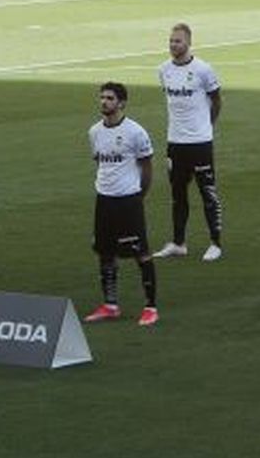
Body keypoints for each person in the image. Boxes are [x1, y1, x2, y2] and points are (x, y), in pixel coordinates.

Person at [84, 82, 160, 327]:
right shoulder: (94, 131)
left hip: (128, 201)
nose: (104, 102)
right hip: (104, 200)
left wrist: (139, 194)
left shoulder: (136, 132)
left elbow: (147, 166)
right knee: (105, 253)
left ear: (121, 103)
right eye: (102, 97)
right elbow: (101, 163)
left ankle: (150, 307)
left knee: (141, 253)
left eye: (109, 98)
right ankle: (110, 305)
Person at [152, 22, 225, 262]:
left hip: (200, 143)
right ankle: (178, 243)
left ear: (189, 43)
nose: (174, 45)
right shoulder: (163, 70)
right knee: (178, 193)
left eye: (178, 41)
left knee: (208, 193)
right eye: (171, 41)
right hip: (175, 142)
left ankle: (215, 243)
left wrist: (207, 127)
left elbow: (216, 101)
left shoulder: (203, 69)